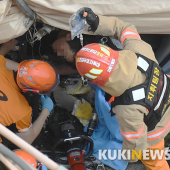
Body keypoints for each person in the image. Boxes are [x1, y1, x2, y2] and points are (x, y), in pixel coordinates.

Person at [72, 7, 170, 170]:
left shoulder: (127, 108)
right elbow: (125, 28)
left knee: (156, 162)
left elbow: (135, 142)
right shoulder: (139, 50)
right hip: (166, 92)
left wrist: (128, 157)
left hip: (157, 130)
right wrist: (98, 21)